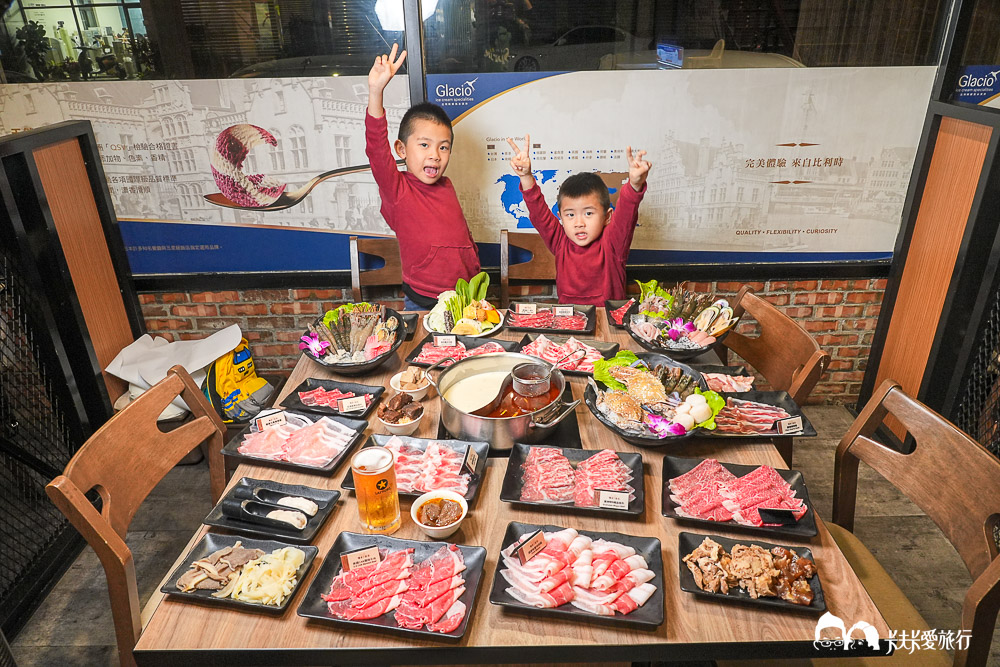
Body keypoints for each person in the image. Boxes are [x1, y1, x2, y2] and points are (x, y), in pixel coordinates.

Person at [365, 43, 480, 311]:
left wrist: (474, 265)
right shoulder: (398, 189)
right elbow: (376, 149)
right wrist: (376, 92)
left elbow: (460, 239)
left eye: (444, 147)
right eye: (424, 145)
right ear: (402, 149)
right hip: (423, 303)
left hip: (467, 300)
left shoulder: (447, 185)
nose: (435, 155)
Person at [507, 134, 651, 305]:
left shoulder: (613, 243)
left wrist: (634, 185)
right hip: (569, 322)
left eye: (588, 213)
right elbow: (540, 215)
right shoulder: (560, 242)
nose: (579, 223)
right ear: (561, 217)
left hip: (609, 324)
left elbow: (626, 214)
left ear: (607, 217)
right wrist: (525, 177)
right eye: (570, 215)